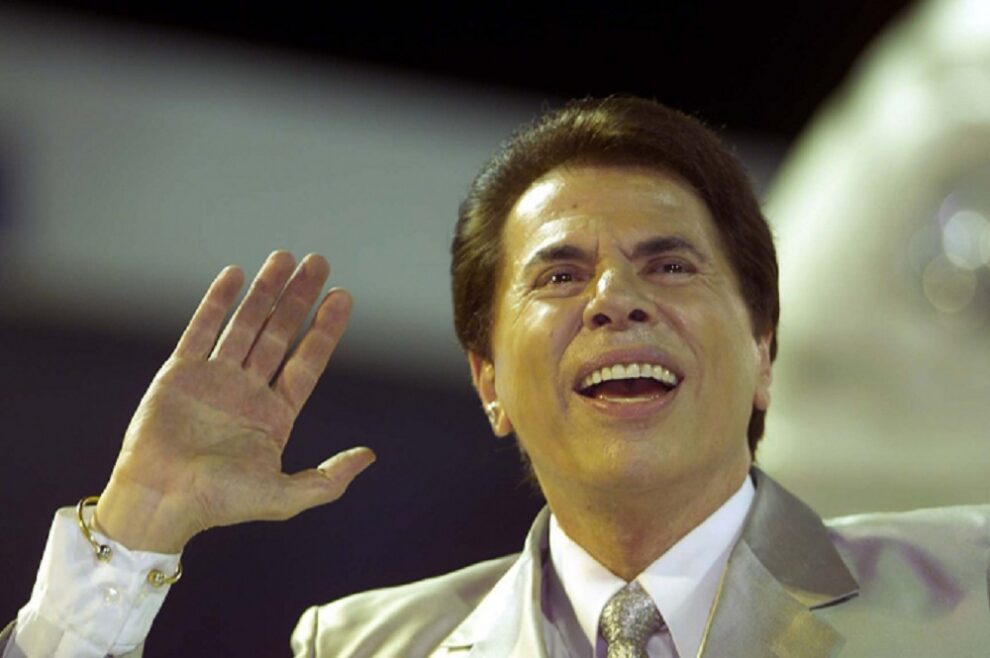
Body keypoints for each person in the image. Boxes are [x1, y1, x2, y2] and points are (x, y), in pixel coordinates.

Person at [3, 97, 989, 658]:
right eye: (559, 275)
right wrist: (135, 530)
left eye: (670, 265)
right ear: (489, 383)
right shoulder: (363, 646)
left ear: (764, 353)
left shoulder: (969, 584)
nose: (615, 299)